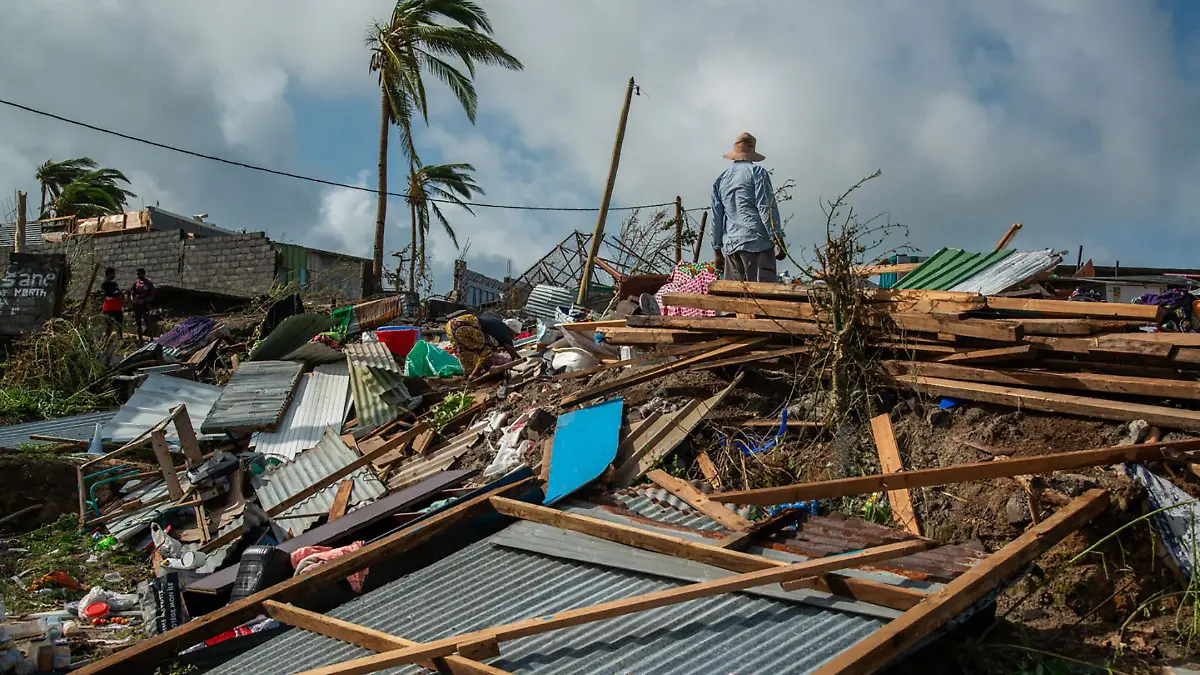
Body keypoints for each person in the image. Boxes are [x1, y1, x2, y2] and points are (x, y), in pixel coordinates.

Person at [710, 132, 787, 283]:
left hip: (732, 245)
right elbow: (766, 208)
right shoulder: (758, 173)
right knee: (761, 298)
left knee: (735, 298)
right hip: (757, 243)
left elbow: (716, 218)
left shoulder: (721, 180)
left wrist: (717, 251)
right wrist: (778, 238)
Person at [445, 312, 520, 379]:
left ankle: (469, 374)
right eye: (515, 334)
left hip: (450, 326)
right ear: (511, 329)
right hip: (464, 325)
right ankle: (473, 374)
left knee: (462, 350)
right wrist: (519, 360)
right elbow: (511, 351)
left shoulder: (497, 324)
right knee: (489, 347)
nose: (514, 337)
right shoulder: (504, 330)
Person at [128, 268, 156, 343]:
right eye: (137, 274)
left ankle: (151, 338)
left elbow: (152, 296)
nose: (138, 275)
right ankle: (140, 338)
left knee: (147, 321)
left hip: (145, 305)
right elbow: (132, 293)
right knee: (138, 322)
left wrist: (144, 300)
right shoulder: (136, 283)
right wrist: (133, 299)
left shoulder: (149, 283)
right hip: (137, 305)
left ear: (143, 274)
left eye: (139, 274)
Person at [99, 267, 123, 339]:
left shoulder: (115, 283)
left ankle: (120, 339)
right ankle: (107, 341)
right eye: (113, 273)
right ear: (108, 274)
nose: (114, 275)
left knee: (119, 325)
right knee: (109, 325)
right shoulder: (104, 284)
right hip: (109, 308)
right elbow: (107, 294)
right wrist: (117, 294)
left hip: (117, 307)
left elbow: (118, 293)